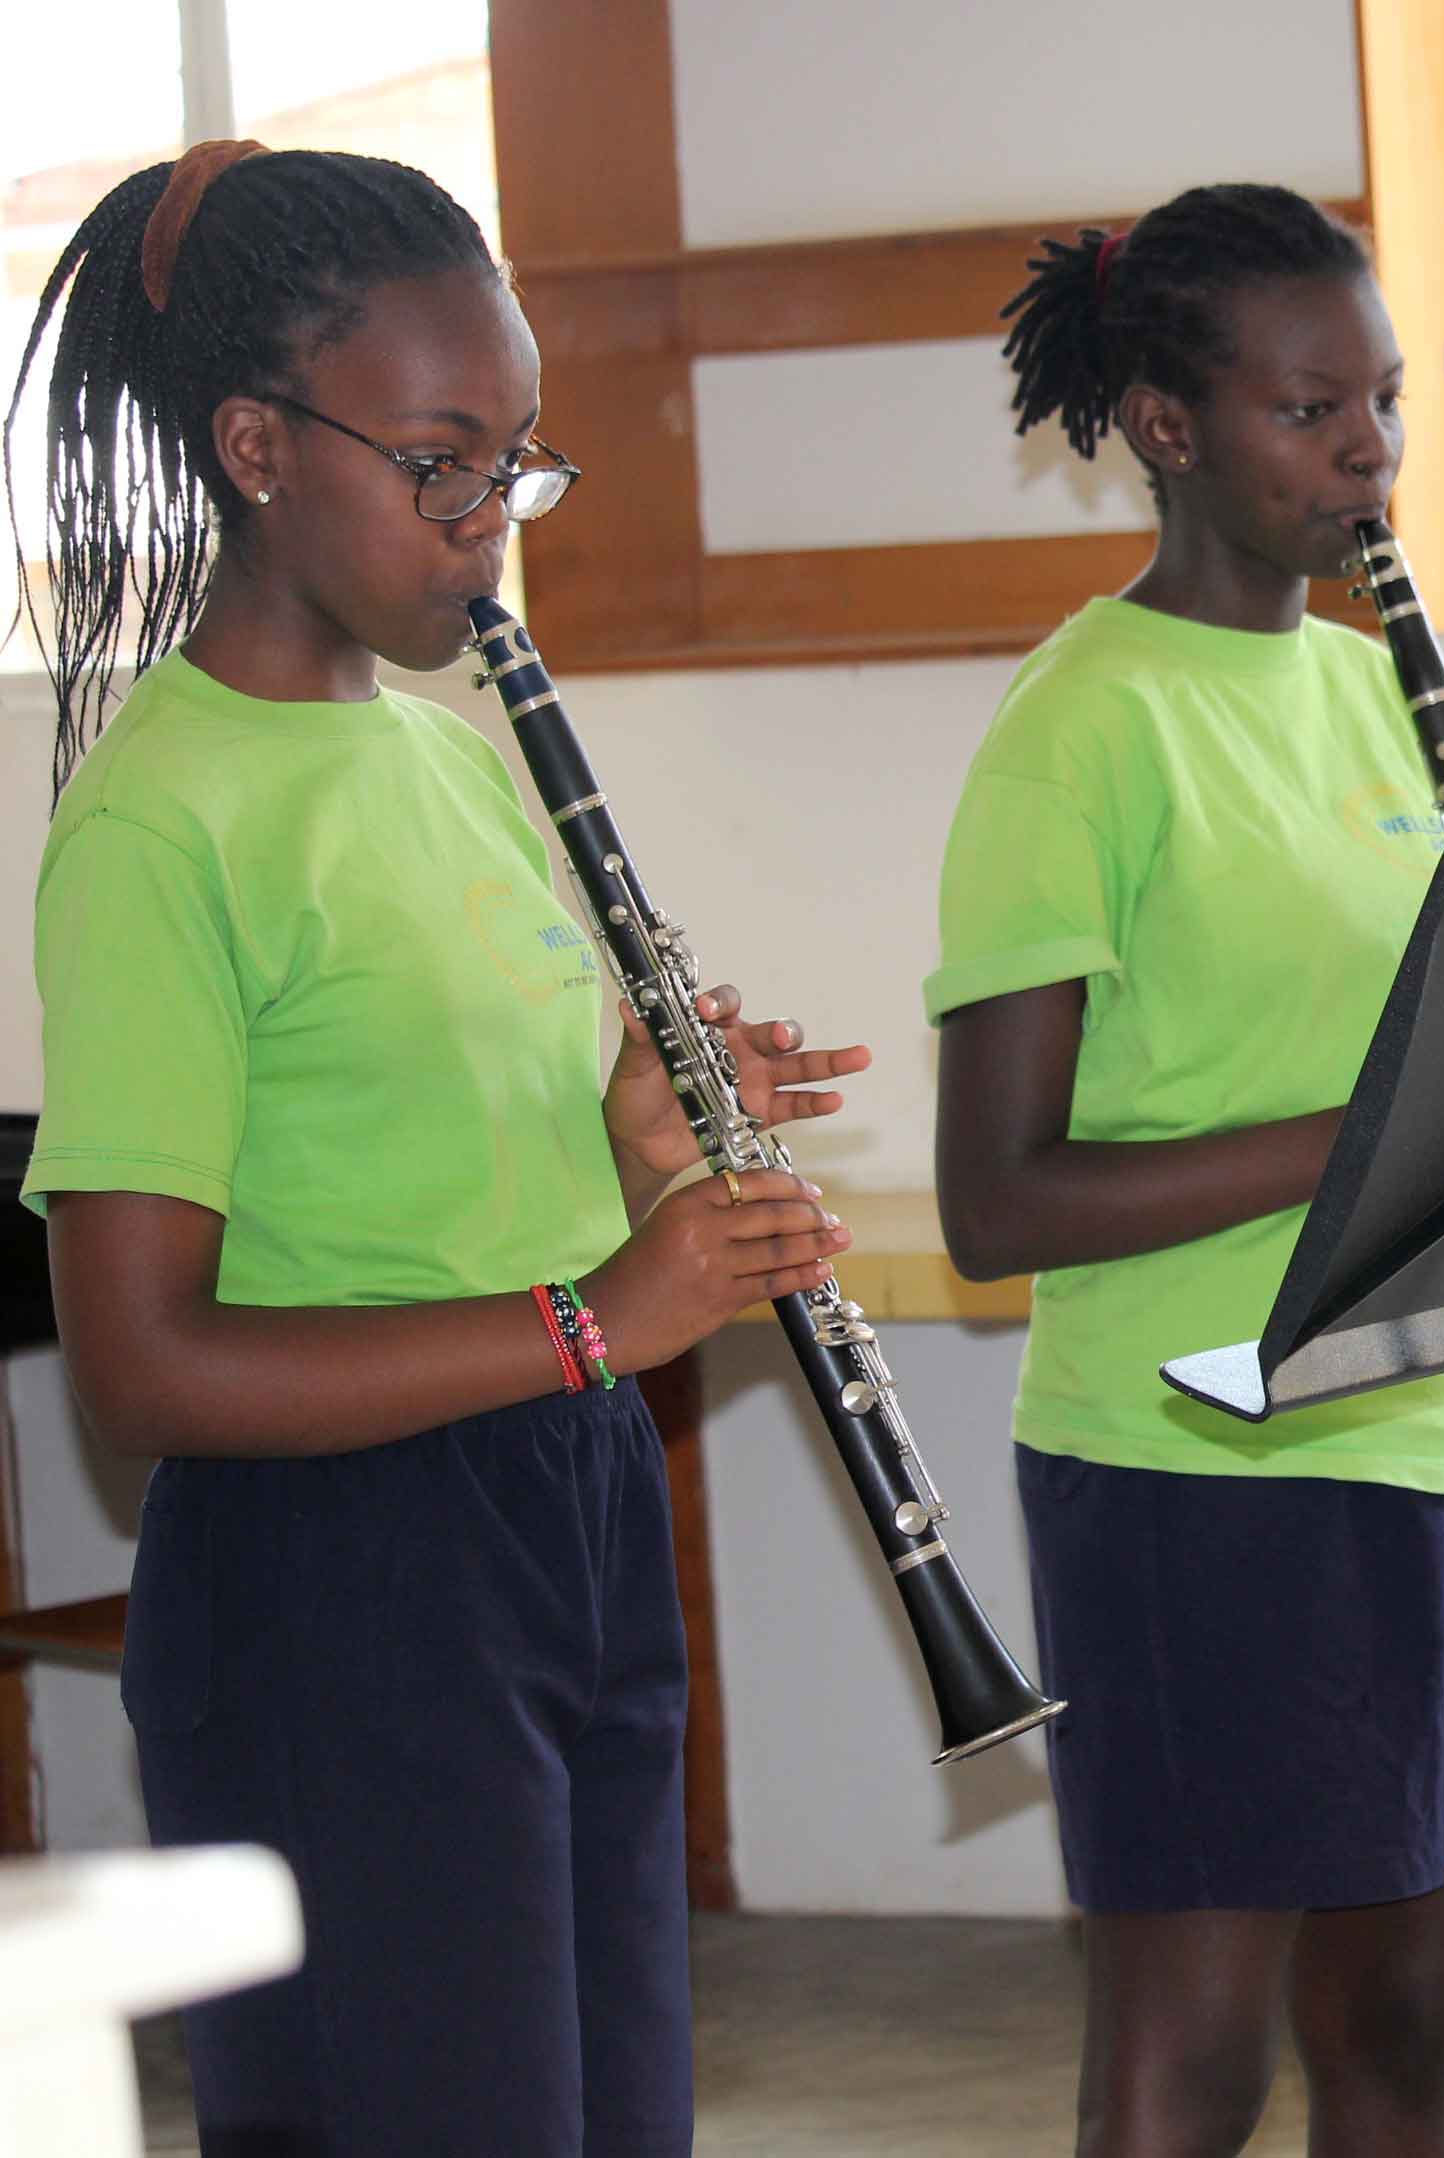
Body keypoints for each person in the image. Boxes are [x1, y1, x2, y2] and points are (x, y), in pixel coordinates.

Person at [12, 142, 861, 2152]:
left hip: (559, 1513)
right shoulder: (162, 823)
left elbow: (461, 1158)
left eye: (519, 465)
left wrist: (636, 1134)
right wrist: (597, 1313)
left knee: (603, 2112)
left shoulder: (451, 756)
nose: (489, 524)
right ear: (253, 445)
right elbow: (145, 1365)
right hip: (340, 1575)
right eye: (439, 463)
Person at [932, 182, 1444, 2158]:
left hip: (1428, 1422)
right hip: (1193, 1461)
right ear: (1165, 424)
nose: (1367, 448)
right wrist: (1367, 1132)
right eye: (1311, 409)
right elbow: (996, 1198)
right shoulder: (1078, 725)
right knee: (1191, 2059)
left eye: (1382, 398)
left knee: (1400, 2041)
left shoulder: (1381, 692)